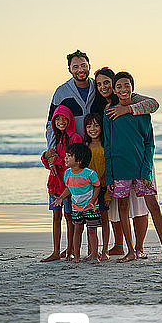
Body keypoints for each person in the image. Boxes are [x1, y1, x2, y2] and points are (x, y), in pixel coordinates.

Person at [104, 71, 162, 263]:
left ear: (133, 88)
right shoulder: (109, 115)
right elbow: (107, 146)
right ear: (114, 90)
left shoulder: (142, 112)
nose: (124, 89)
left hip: (141, 169)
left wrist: (146, 170)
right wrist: (109, 177)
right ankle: (131, 251)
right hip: (119, 170)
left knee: (154, 206)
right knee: (123, 207)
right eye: (119, 87)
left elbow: (149, 144)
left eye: (127, 86)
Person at [93, 67, 159, 257]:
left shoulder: (131, 97)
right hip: (115, 161)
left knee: (139, 206)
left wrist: (127, 109)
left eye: (107, 82)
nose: (103, 86)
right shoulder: (100, 105)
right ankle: (120, 245)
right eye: (99, 84)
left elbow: (153, 104)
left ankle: (139, 247)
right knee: (116, 206)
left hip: (137, 160)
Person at [40, 106, 83, 262]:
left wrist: (55, 160)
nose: (61, 122)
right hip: (54, 184)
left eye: (64, 118)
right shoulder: (56, 138)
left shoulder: (75, 138)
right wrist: (46, 157)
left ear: (70, 119)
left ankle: (70, 250)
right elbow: (48, 164)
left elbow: (76, 164)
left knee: (69, 216)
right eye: (57, 119)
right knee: (56, 216)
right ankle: (56, 251)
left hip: (69, 185)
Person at [52, 143, 101, 263]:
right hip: (76, 207)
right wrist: (61, 198)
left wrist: (92, 200)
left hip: (90, 207)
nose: (66, 158)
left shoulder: (89, 173)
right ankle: (77, 256)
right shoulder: (67, 173)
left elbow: (97, 186)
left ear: (79, 160)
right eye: (66, 155)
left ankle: (94, 255)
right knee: (77, 230)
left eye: (69, 156)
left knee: (92, 230)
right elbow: (69, 188)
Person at [46, 50, 96, 153]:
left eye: (83, 65)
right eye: (75, 67)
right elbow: (51, 123)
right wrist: (52, 152)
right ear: (69, 70)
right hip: (73, 151)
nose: (80, 70)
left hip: (97, 148)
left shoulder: (98, 88)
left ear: (89, 66)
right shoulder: (61, 92)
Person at [84, 113, 110, 261]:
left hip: (104, 188)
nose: (92, 129)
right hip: (89, 190)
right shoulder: (85, 146)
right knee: (90, 221)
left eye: (96, 125)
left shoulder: (106, 145)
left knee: (104, 218)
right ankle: (92, 251)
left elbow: (109, 168)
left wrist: (107, 195)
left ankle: (105, 250)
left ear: (101, 127)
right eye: (89, 126)